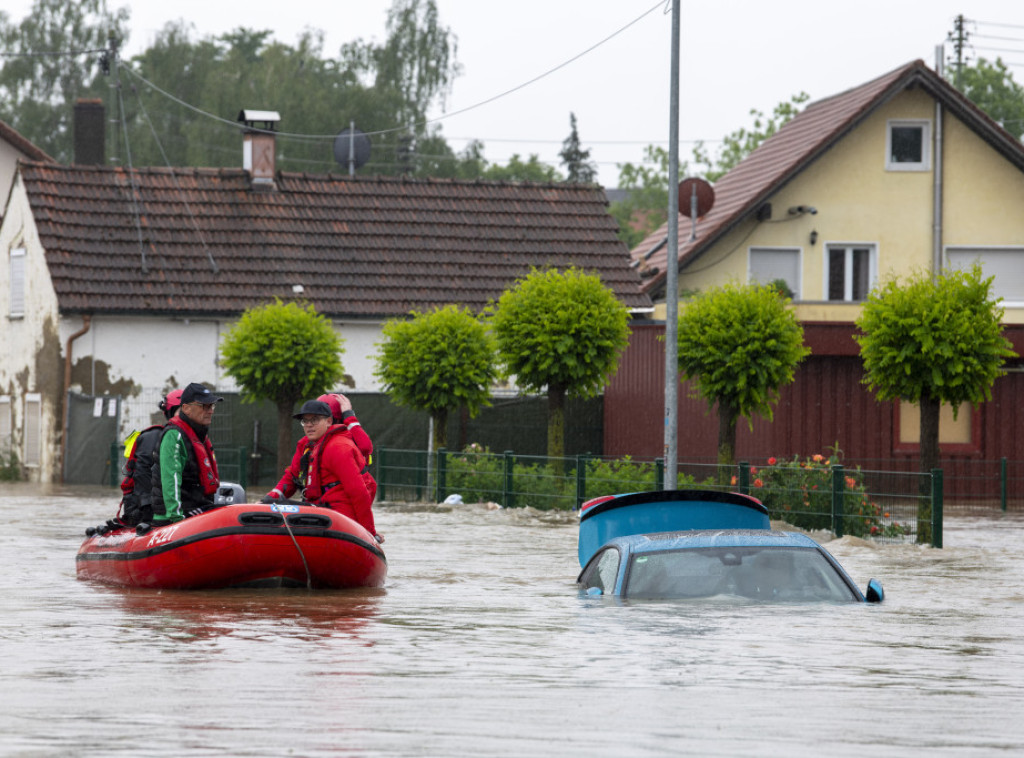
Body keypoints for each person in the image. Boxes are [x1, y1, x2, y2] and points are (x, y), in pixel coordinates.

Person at [266, 399, 376, 537]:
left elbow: (358, 493)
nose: (309, 425)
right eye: (305, 421)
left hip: (338, 517)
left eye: (315, 420)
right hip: (318, 511)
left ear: (329, 421)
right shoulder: (307, 445)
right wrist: (267, 500)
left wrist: (369, 532)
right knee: (273, 504)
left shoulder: (339, 447)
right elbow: (291, 478)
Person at [150, 382, 222, 525]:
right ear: (186, 408)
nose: (211, 411)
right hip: (175, 515)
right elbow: (171, 479)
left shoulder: (200, 436)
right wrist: (177, 518)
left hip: (197, 508)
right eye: (204, 406)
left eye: (212, 406)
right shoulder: (173, 435)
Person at [117, 388, 182, 526]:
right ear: (170, 413)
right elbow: (143, 475)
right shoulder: (154, 437)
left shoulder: (193, 440)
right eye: (181, 412)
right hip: (144, 509)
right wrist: (147, 508)